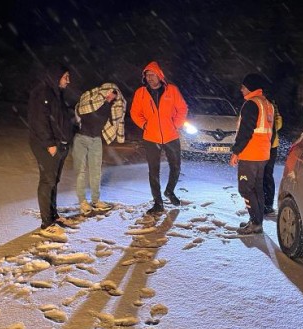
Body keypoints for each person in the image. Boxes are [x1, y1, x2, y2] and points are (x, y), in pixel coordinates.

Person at [130, 61, 188, 215]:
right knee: (153, 171)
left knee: (176, 167)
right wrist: (144, 125)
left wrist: (175, 124)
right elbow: (135, 112)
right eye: (147, 75)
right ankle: (158, 203)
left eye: (152, 74)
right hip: (151, 137)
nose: (150, 78)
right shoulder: (140, 93)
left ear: (159, 75)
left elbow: (182, 108)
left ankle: (170, 191)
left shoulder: (172, 90)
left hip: (171, 136)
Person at [27, 63, 76, 242]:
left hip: (60, 145)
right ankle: (46, 224)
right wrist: (49, 144)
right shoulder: (42, 92)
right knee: (47, 180)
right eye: (66, 77)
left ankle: (53, 216)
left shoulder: (57, 94)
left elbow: (60, 120)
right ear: (57, 76)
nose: (68, 81)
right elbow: (39, 121)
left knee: (54, 180)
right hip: (47, 146)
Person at [230, 73, 274, 235]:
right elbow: (272, 132)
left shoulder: (251, 104)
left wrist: (236, 152)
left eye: (243, 86)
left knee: (245, 189)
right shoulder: (267, 104)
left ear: (250, 87)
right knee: (257, 189)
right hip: (262, 155)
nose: (241, 89)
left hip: (250, 155)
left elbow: (245, 132)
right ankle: (257, 221)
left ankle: (255, 223)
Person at [73, 82, 126, 215]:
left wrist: (120, 136)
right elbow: (80, 109)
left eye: (114, 96)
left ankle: (96, 201)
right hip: (81, 138)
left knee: (96, 171)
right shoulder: (90, 100)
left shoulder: (112, 107)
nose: (111, 98)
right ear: (105, 91)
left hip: (96, 140)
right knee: (80, 171)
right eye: (110, 94)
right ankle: (82, 202)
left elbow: (119, 120)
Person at [262, 97, 283, 217]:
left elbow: (278, 125)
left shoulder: (271, 107)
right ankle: (264, 203)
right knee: (265, 175)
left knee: (266, 175)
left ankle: (267, 205)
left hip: (270, 146)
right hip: (266, 145)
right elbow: (278, 124)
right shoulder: (266, 106)